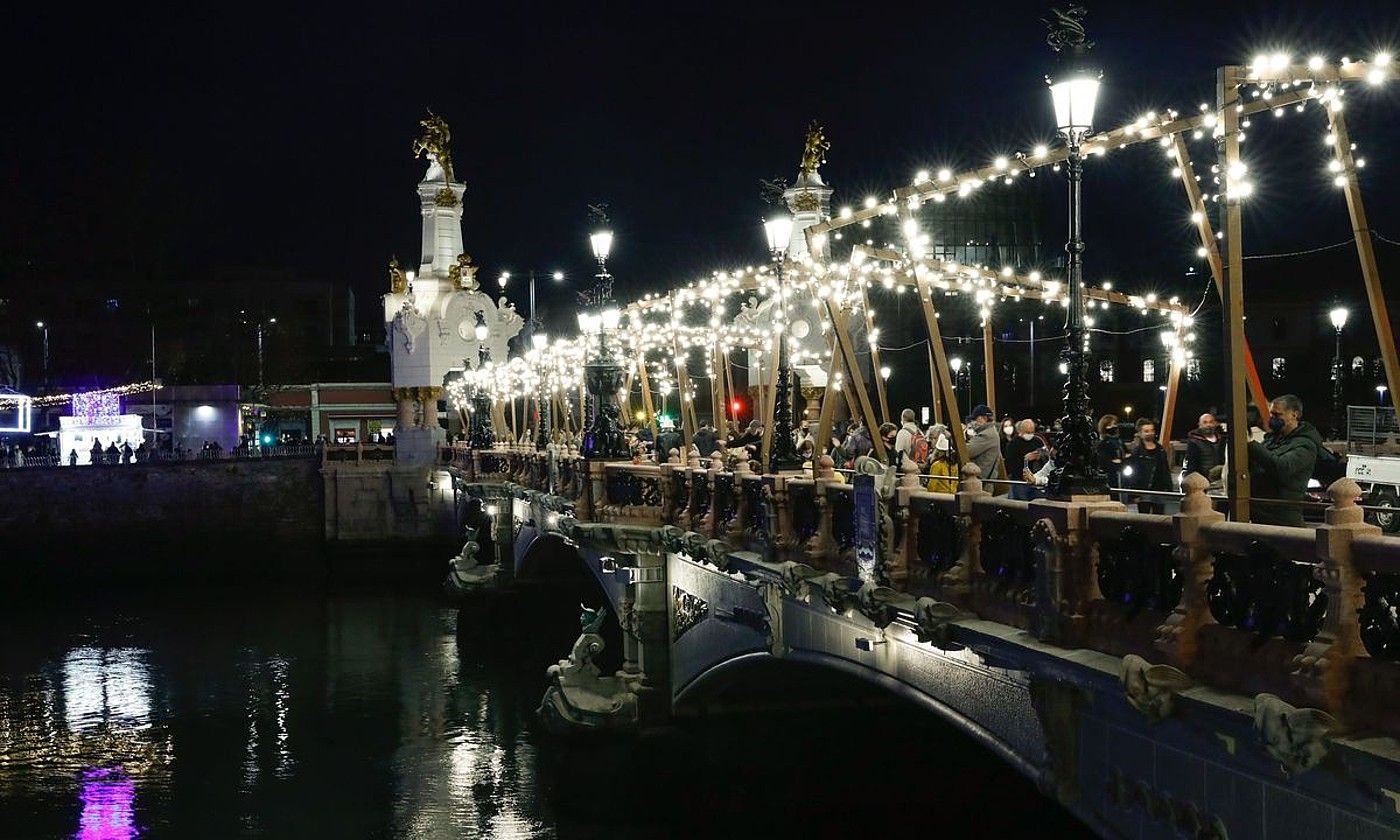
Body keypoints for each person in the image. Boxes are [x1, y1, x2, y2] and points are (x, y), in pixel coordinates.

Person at [1248, 394, 1324, 527]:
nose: (1272, 419)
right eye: (1272, 414)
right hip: (1262, 514)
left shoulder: (1305, 445)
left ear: (1295, 415)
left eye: (1278, 415)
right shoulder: (1272, 439)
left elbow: (1281, 467)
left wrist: (1252, 445)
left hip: (1282, 518)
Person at [1123, 419, 1172, 513]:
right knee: (1144, 518)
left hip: (1159, 490)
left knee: (1159, 518)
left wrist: (1168, 487)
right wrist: (1134, 494)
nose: (1150, 433)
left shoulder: (1160, 450)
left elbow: (1165, 470)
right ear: (1140, 433)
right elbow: (1133, 474)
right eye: (1146, 431)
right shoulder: (1137, 452)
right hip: (1143, 491)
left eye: (1151, 430)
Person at [1005, 419, 1044, 501]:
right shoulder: (1013, 444)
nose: (1029, 434)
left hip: (1037, 481)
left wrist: (1039, 457)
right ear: (1021, 431)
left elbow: (1047, 457)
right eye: (1027, 432)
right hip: (1020, 482)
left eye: (1031, 432)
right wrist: (1025, 459)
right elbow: (1010, 465)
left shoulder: (1038, 441)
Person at [1184, 412, 1225, 486]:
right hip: (1202, 483)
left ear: (1215, 423)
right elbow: (1192, 465)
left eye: (1211, 422)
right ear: (1200, 425)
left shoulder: (1222, 440)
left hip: (1221, 481)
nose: (1208, 425)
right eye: (1205, 422)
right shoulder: (1194, 442)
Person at [965, 404, 1002, 483]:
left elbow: (967, 451)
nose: (973, 422)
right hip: (985, 478)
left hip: (982, 480)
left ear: (983, 418)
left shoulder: (986, 435)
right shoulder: (991, 431)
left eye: (975, 419)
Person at [1095, 414, 1124, 487]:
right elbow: (1104, 461)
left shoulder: (1119, 442)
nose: (1114, 427)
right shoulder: (1103, 444)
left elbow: (1126, 454)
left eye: (1114, 424)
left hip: (1122, 475)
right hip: (1111, 477)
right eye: (1110, 425)